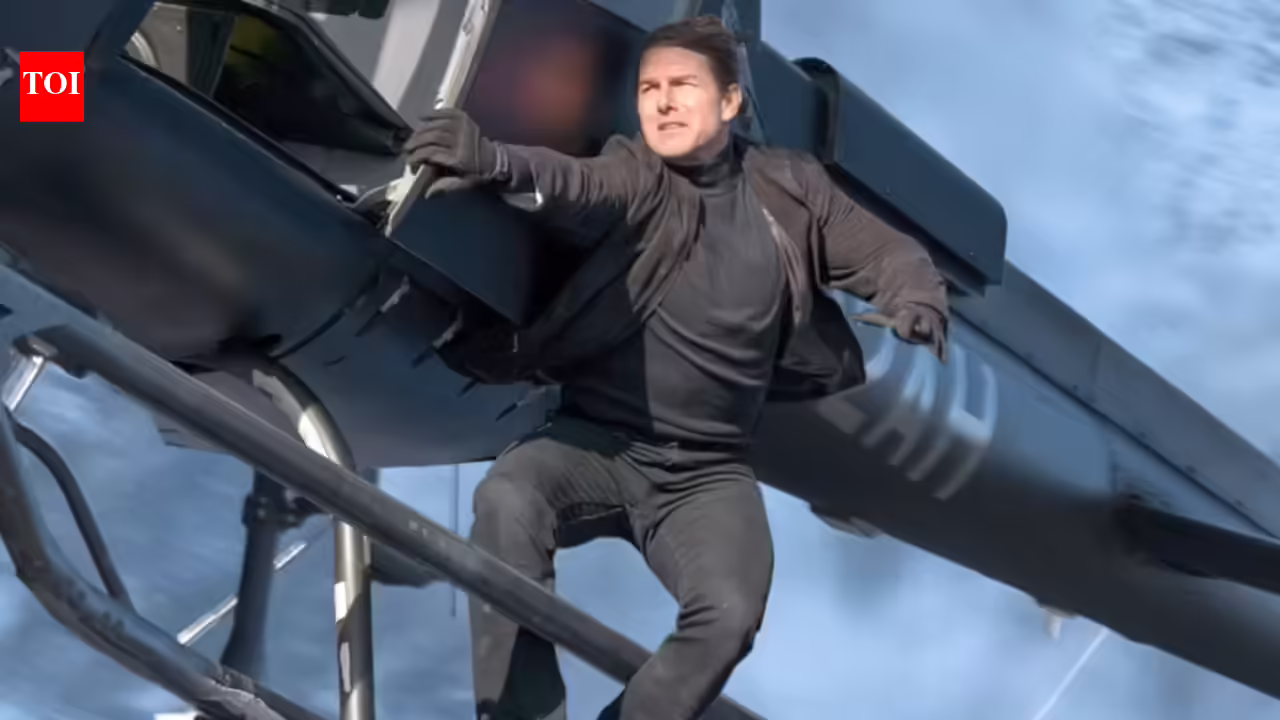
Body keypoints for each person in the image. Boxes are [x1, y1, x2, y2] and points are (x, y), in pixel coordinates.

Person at [404, 15, 950, 720]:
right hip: (595, 444)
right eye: (648, 88)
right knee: (507, 499)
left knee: (730, 613)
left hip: (705, 475)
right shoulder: (636, 173)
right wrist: (496, 160)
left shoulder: (791, 189)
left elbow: (887, 253)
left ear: (730, 102)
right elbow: (574, 183)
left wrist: (915, 300)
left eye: (682, 86)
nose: (661, 103)